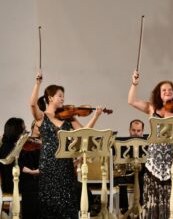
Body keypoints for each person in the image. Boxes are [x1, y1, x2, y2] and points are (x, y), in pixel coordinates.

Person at [30, 69, 103, 219]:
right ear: (50, 98)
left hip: (65, 164)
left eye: (63, 96)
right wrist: (37, 84)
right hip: (48, 163)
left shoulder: (68, 118)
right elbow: (32, 104)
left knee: (67, 202)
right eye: (60, 96)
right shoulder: (42, 116)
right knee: (49, 203)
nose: (63, 99)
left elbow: (84, 132)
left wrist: (95, 116)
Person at [128, 70, 173, 218]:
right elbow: (131, 101)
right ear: (158, 93)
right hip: (155, 159)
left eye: (170, 90)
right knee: (155, 196)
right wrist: (134, 83)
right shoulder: (152, 107)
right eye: (164, 90)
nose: (167, 92)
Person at [118, 119, 145, 214]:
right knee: (120, 180)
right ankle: (124, 210)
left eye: (138, 131)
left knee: (144, 179)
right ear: (129, 130)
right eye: (133, 130)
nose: (136, 133)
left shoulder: (147, 143)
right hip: (128, 173)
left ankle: (142, 207)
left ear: (142, 131)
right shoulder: (122, 144)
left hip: (142, 173)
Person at [18, 119, 42, 219]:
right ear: (33, 127)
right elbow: (21, 163)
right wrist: (33, 171)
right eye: (37, 126)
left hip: (40, 175)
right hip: (28, 176)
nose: (40, 128)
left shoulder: (44, 142)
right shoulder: (25, 141)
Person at [0, 118, 26, 194]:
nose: (25, 130)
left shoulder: (12, 145)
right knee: (36, 186)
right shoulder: (7, 147)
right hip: (12, 184)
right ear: (16, 131)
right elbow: (17, 165)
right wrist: (32, 171)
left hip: (17, 181)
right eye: (23, 128)